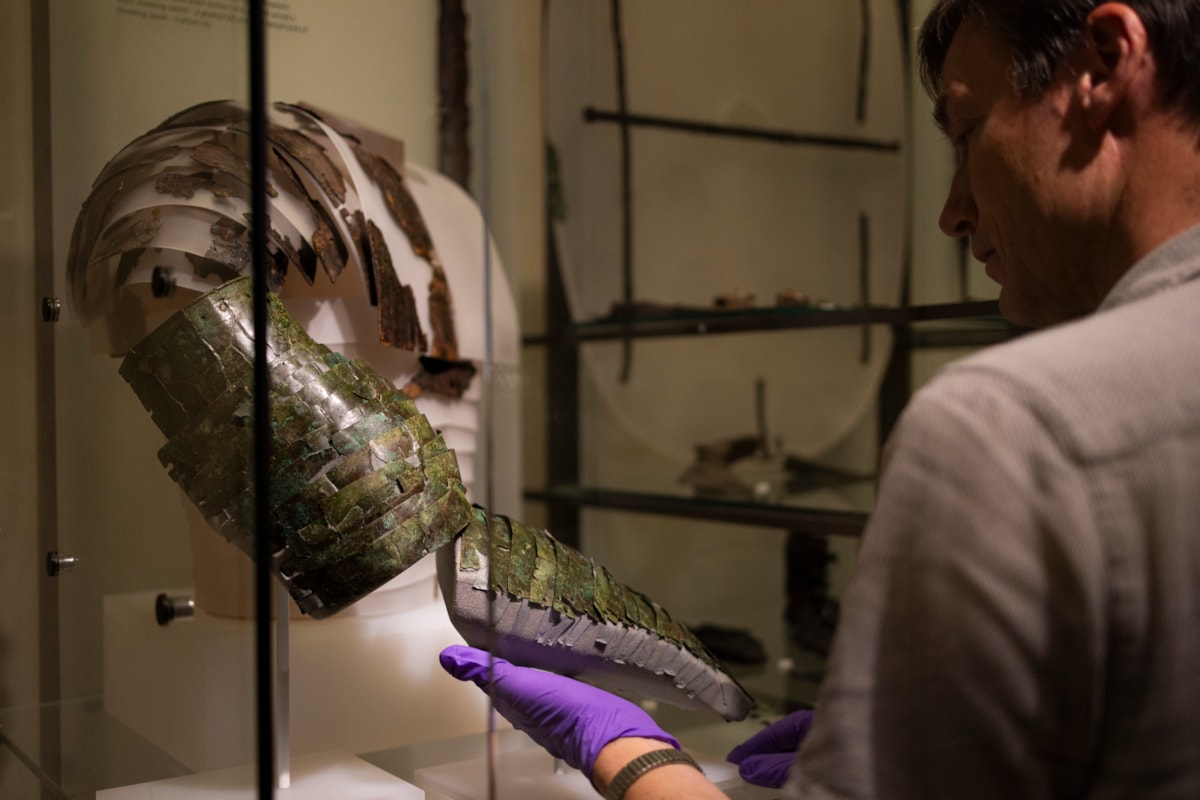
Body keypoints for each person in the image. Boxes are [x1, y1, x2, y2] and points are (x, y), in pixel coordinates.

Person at [440, 1, 1200, 797]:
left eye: (967, 131)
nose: (952, 212)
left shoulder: (1012, 426)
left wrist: (629, 753)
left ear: (1105, 64)